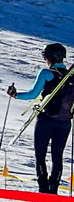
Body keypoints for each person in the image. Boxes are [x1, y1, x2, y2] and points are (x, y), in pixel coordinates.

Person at [8, 43, 73, 193]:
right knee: (57, 156)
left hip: (46, 119)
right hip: (64, 122)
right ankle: (54, 191)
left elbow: (32, 94)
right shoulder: (72, 76)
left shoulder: (46, 73)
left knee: (40, 154)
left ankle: (42, 189)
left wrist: (15, 94)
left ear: (48, 57)